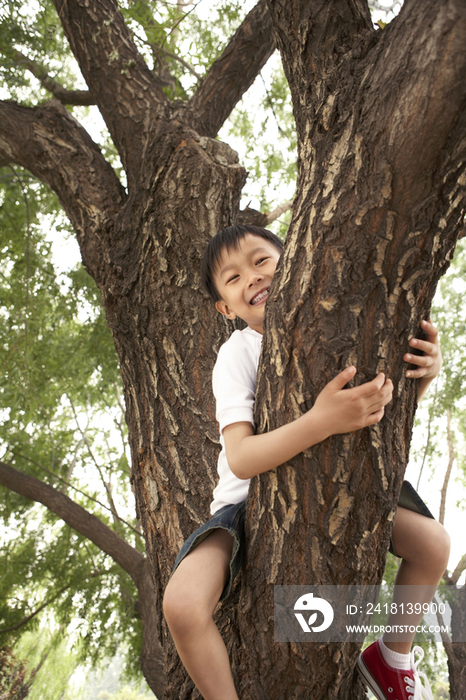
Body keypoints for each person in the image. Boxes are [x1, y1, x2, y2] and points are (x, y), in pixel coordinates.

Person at [163, 225, 449, 700]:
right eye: (232, 278)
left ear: (296, 260)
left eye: (261, 261)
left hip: (344, 481)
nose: (252, 278)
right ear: (225, 308)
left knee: (434, 545)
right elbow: (241, 457)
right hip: (246, 508)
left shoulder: (337, 327)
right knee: (182, 605)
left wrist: (424, 375)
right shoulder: (238, 353)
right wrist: (320, 421)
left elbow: (383, 419)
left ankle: (392, 658)